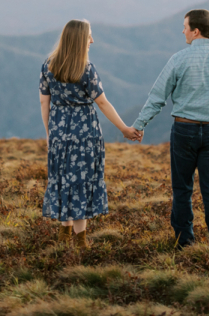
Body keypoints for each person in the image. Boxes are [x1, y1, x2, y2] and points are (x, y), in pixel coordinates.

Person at [131, 8, 209, 248]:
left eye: (185, 27)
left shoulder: (179, 59)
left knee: (182, 189)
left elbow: (157, 96)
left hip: (185, 130)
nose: (182, 31)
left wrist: (139, 125)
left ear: (196, 31)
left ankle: (185, 244)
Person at [40, 19, 141, 247]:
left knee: (63, 178)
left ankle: (64, 233)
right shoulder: (85, 68)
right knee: (81, 180)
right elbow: (102, 103)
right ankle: (81, 241)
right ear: (79, 40)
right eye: (89, 37)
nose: (92, 41)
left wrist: (49, 133)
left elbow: (43, 102)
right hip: (84, 130)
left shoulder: (48, 65)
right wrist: (124, 128)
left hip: (58, 128)